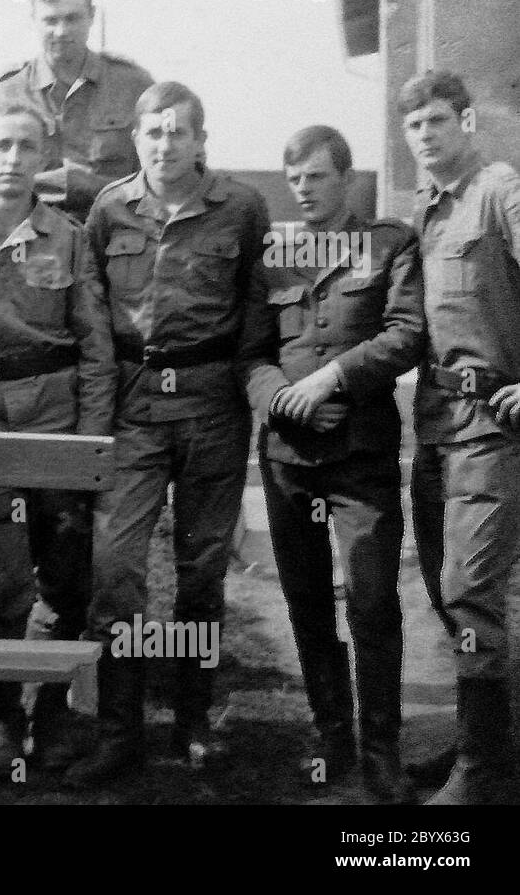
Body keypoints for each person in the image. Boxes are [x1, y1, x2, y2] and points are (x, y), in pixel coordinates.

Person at [65, 81, 269, 788]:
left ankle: (193, 723)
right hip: (135, 408)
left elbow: (254, 309)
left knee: (202, 577)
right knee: (117, 575)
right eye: (153, 131)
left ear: (200, 139)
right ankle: (119, 733)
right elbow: (92, 308)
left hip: (211, 408)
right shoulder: (110, 207)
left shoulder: (240, 208)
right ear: (137, 138)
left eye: (179, 131)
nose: (164, 143)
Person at [240, 125, 423, 802]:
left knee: (372, 600)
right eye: (294, 179)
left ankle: (382, 751)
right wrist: (283, 403)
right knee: (308, 602)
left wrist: (332, 381)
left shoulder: (389, 243)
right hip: (289, 457)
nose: (303, 189)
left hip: (360, 459)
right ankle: (331, 736)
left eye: (316, 177)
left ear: (345, 178)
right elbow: (250, 356)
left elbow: (406, 333)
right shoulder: (274, 257)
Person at [0, 95, 113, 774]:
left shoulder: (67, 236)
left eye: (25, 148)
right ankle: (2, 717)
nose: (11, 160)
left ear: (43, 157)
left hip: (56, 423)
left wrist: (90, 443)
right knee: (0, 580)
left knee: (67, 576)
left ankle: (56, 714)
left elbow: (95, 344)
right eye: (0, 146)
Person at [401, 71, 520, 805]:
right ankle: (485, 741)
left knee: (469, 589)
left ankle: (481, 771)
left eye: (439, 120)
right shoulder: (424, 209)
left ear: (467, 121)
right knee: (450, 596)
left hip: (495, 430)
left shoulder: (501, 191)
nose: (425, 135)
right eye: (413, 125)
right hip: (439, 426)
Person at [0, 0, 152, 221]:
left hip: (115, 231)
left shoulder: (132, 85)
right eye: (50, 20)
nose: (61, 32)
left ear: (92, 16)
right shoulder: (7, 93)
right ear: (33, 20)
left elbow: (161, 167)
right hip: (32, 236)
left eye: (72, 19)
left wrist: (84, 184)